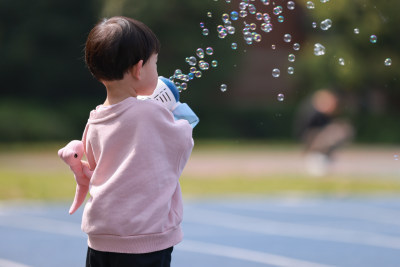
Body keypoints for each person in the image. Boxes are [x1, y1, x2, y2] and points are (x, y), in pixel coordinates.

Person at [81, 16, 194, 266]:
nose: (158, 70)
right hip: (144, 238)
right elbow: (182, 142)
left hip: (101, 237)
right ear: (138, 68)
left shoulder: (95, 118)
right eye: (156, 63)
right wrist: (176, 111)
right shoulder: (150, 113)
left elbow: (93, 163)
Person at [294, 89, 354, 176]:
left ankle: (324, 156)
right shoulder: (314, 113)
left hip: (316, 141)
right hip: (311, 141)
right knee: (338, 132)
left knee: (342, 129)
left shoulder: (325, 115)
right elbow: (304, 130)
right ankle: (318, 156)